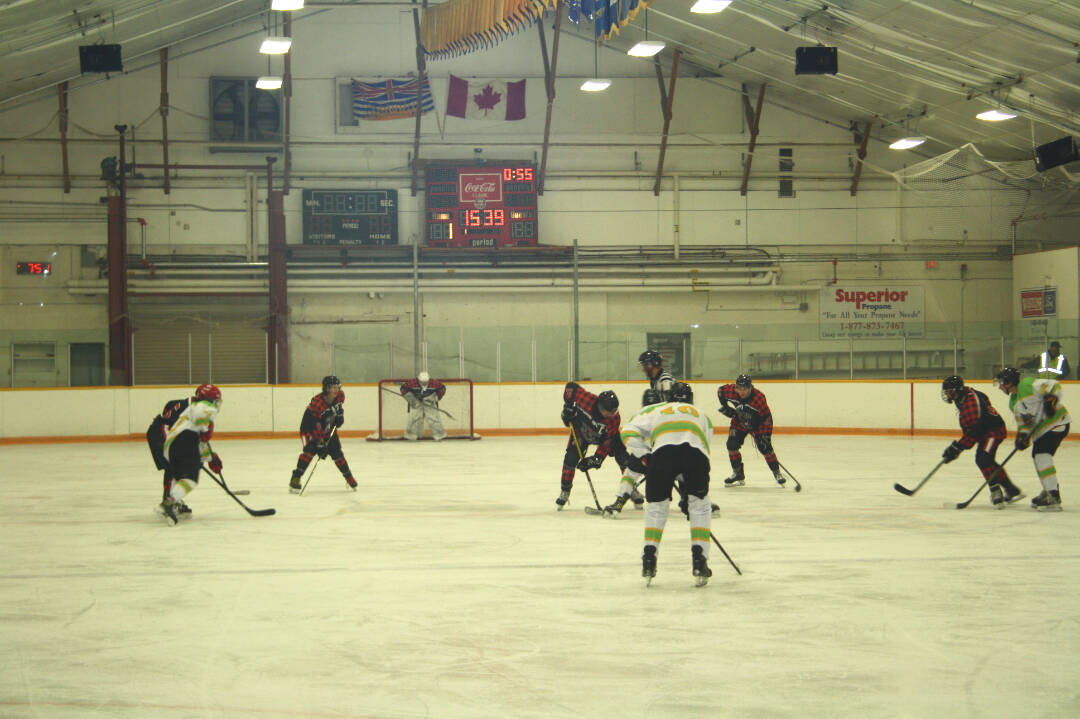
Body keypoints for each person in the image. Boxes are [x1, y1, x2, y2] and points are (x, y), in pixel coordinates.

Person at [621, 381, 715, 587]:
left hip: (662, 456)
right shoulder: (702, 415)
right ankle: (700, 560)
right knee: (699, 506)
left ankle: (649, 558)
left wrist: (646, 457)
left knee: (656, 509)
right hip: (695, 457)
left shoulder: (657, 410)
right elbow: (701, 449)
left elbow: (626, 432)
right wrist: (688, 492)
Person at [940, 375, 1024, 508]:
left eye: (950, 391)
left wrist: (957, 447)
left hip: (994, 432)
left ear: (958, 390)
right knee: (986, 459)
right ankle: (1011, 489)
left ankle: (996, 491)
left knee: (983, 458)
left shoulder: (972, 403)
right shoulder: (962, 397)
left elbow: (974, 431)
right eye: (947, 392)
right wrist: (957, 447)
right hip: (985, 432)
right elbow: (972, 429)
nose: (948, 394)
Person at [994, 367, 1071, 511]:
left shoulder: (1027, 384)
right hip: (1043, 431)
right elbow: (1025, 424)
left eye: (1001, 383)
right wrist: (1022, 437)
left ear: (1009, 382)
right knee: (1038, 457)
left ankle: (1053, 495)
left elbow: (1055, 385)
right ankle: (1048, 489)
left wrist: (1051, 400)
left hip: (1057, 423)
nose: (1000, 387)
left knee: (1041, 455)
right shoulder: (1013, 403)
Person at [156, 384, 223, 525]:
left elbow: (200, 445)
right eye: (216, 400)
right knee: (191, 479)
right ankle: (169, 503)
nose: (217, 404)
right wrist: (205, 430)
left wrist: (211, 457)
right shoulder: (203, 406)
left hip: (171, 445)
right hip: (183, 441)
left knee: (179, 476)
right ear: (209, 399)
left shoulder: (189, 414)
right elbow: (200, 416)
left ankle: (171, 500)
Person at [557, 382, 621, 509]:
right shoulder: (587, 399)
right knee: (570, 459)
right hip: (581, 433)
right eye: (608, 412)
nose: (611, 415)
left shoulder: (614, 419)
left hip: (602, 439)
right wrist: (568, 406)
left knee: (623, 456)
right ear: (600, 406)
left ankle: (630, 488)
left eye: (614, 411)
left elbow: (607, 443)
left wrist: (596, 458)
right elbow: (571, 386)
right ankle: (565, 490)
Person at [288, 375, 356, 493]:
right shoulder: (317, 404)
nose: (336, 390)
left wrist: (340, 415)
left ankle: (349, 477)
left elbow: (339, 407)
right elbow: (315, 426)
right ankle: (296, 478)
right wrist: (320, 444)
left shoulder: (340, 395)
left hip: (328, 426)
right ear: (326, 389)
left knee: (337, 452)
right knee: (309, 451)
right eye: (333, 388)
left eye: (337, 387)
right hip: (309, 428)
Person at [717, 374, 785, 487]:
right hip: (739, 420)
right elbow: (720, 391)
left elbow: (764, 417)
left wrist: (755, 429)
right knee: (731, 445)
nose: (742, 392)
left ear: (750, 387)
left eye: (745, 389)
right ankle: (738, 473)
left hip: (762, 423)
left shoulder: (759, 398)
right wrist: (726, 407)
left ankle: (777, 472)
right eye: (739, 388)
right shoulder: (730, 391)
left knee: (765, 447)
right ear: (736, 387)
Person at [147, 391, 194, 520]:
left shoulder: (185, 402)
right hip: (160, 434)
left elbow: (169, 406)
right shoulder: (193, 409)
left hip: (159, 431)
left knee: (178, 466)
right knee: (173, 466)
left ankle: (173, 500)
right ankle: (167, 502)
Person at [400, 371, 447, 441]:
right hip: (417, 403)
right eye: (422, 382)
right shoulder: (413, 382)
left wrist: (435, 398)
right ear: (418, 380)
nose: (424, 383)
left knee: (433, 418)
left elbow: (442, 388)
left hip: (429, 403)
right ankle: (411, 436)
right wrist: (412, 399)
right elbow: (403, 389)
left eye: (426, 381)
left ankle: (439, 435)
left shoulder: (433, 383)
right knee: (414, 418)